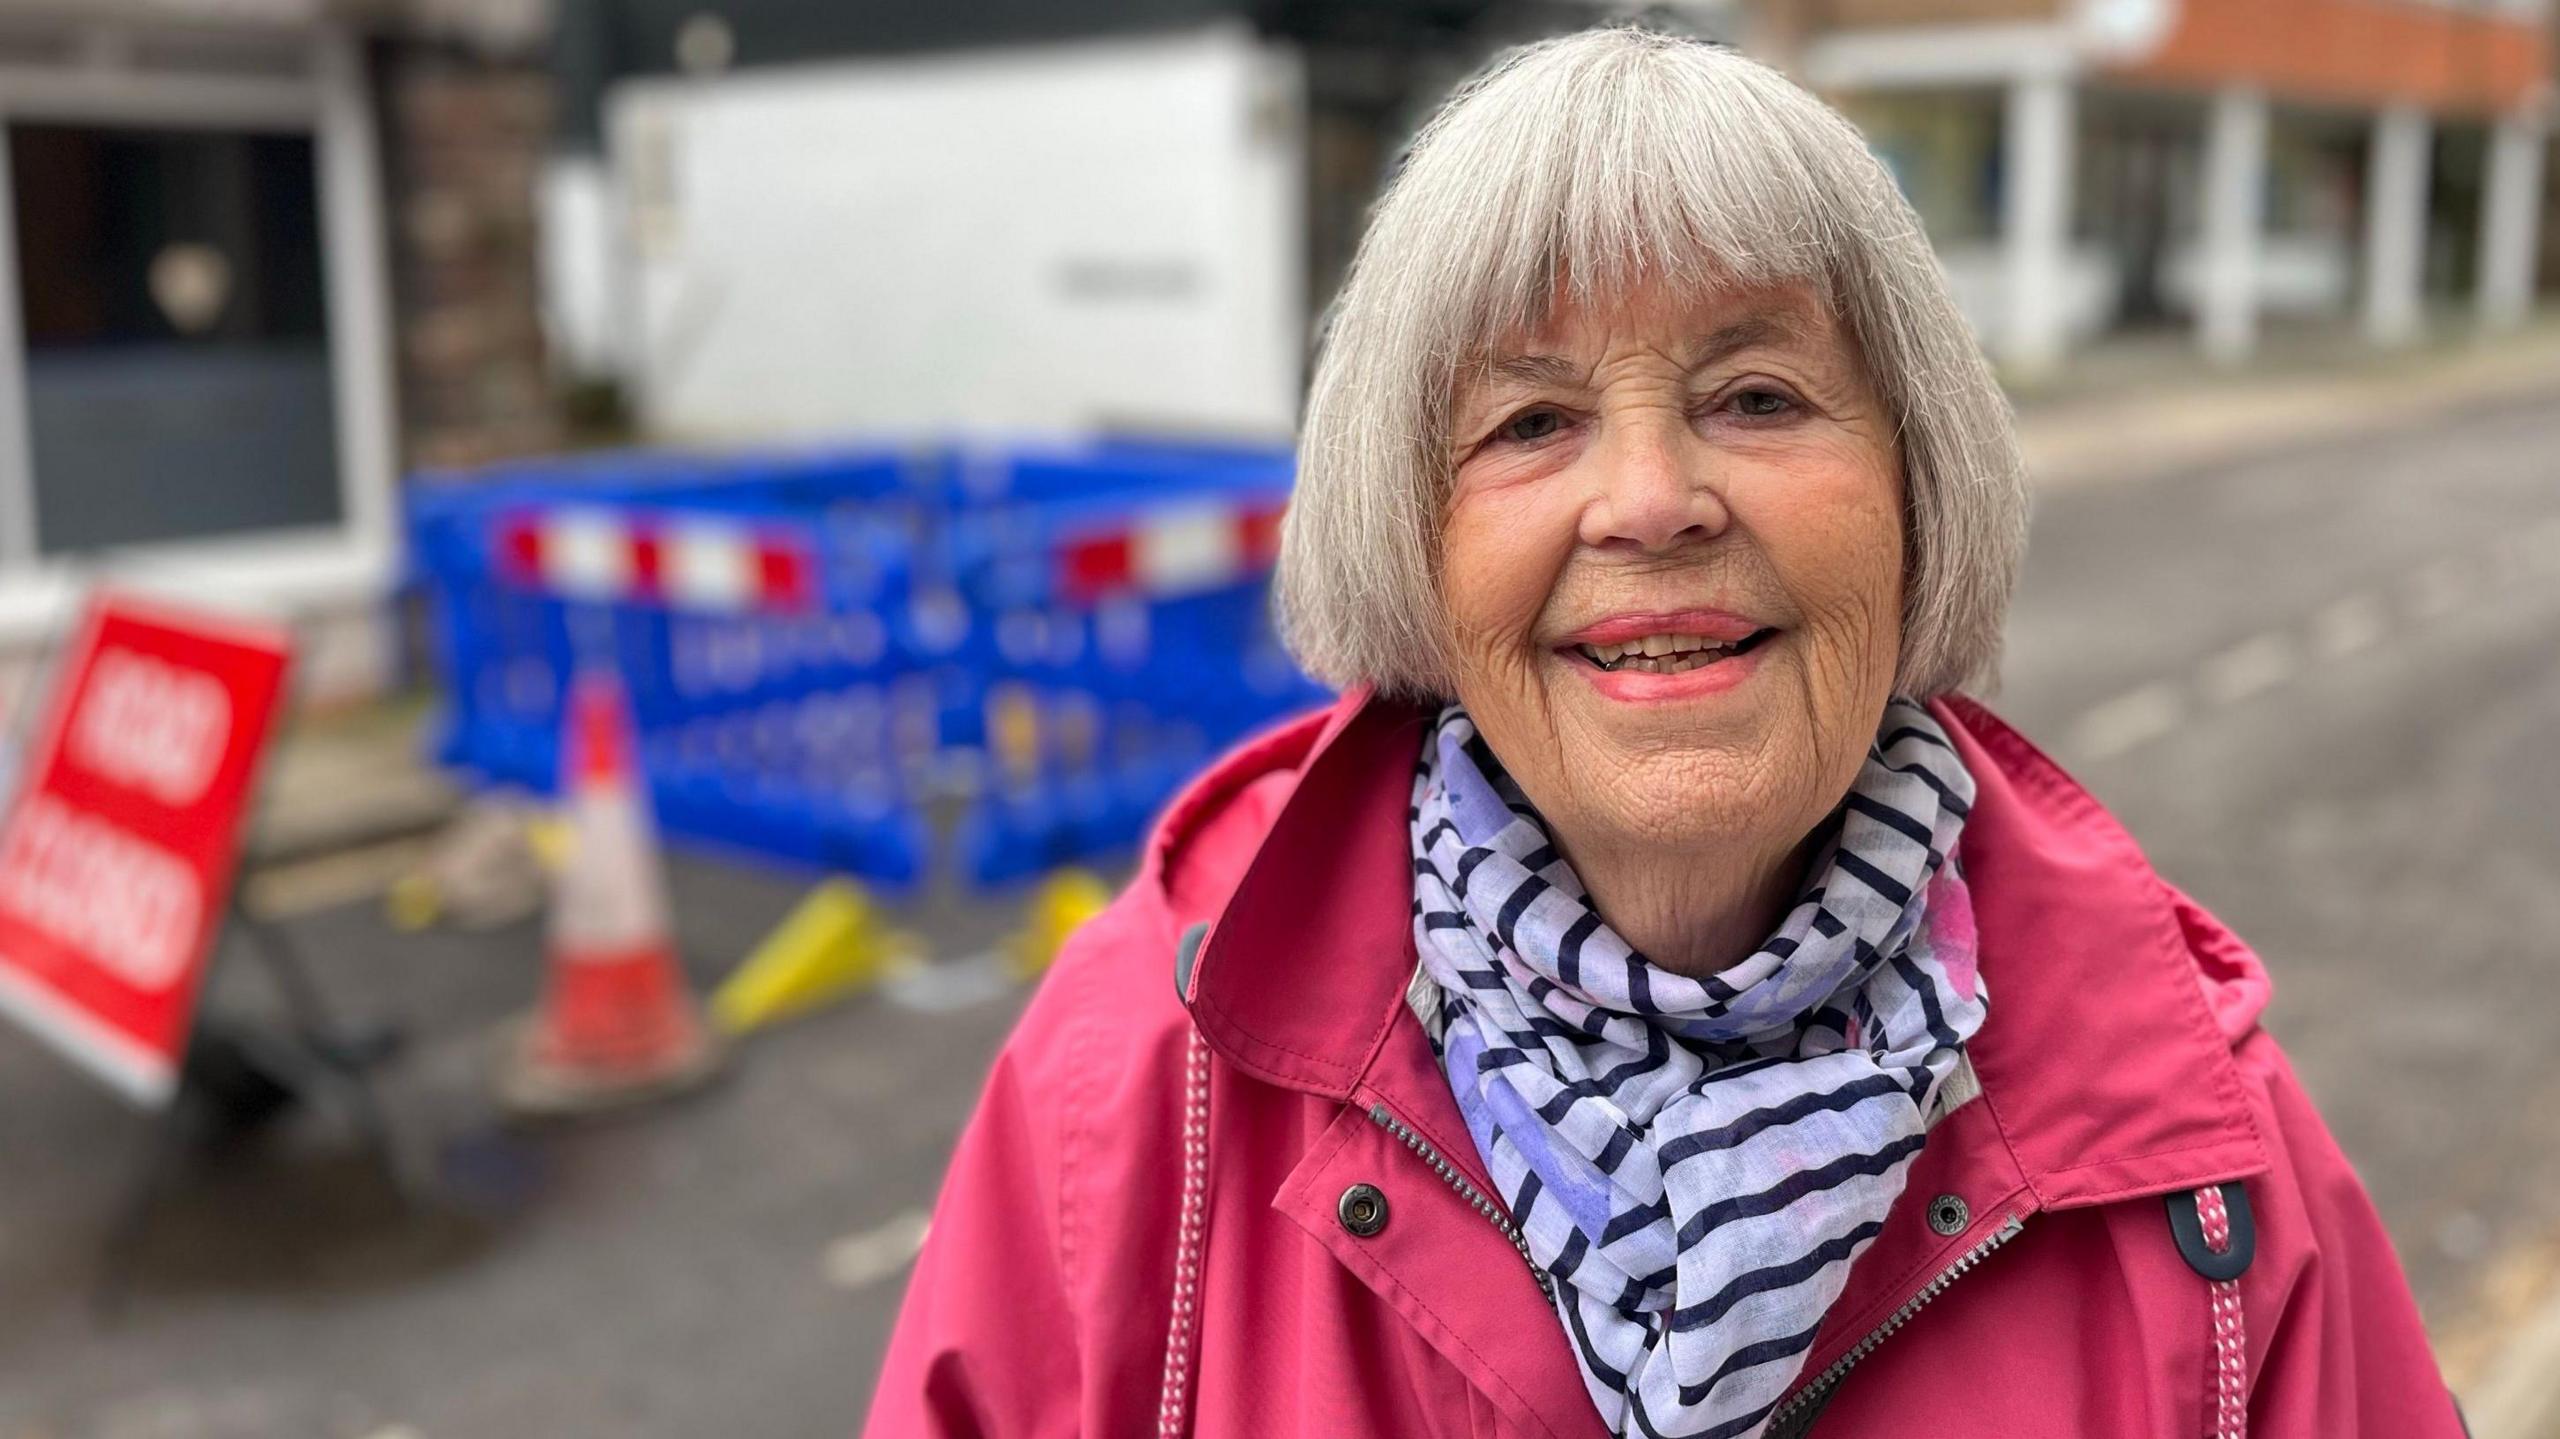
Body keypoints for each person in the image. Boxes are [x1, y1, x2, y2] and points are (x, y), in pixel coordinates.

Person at [865, 27, 2463, 1438]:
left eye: (1758, 396)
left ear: (1920, 491)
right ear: (1409, 539)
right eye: (1532, 421)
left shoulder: (2208, 1157)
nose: (1647, 503)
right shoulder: (1139, 1080)